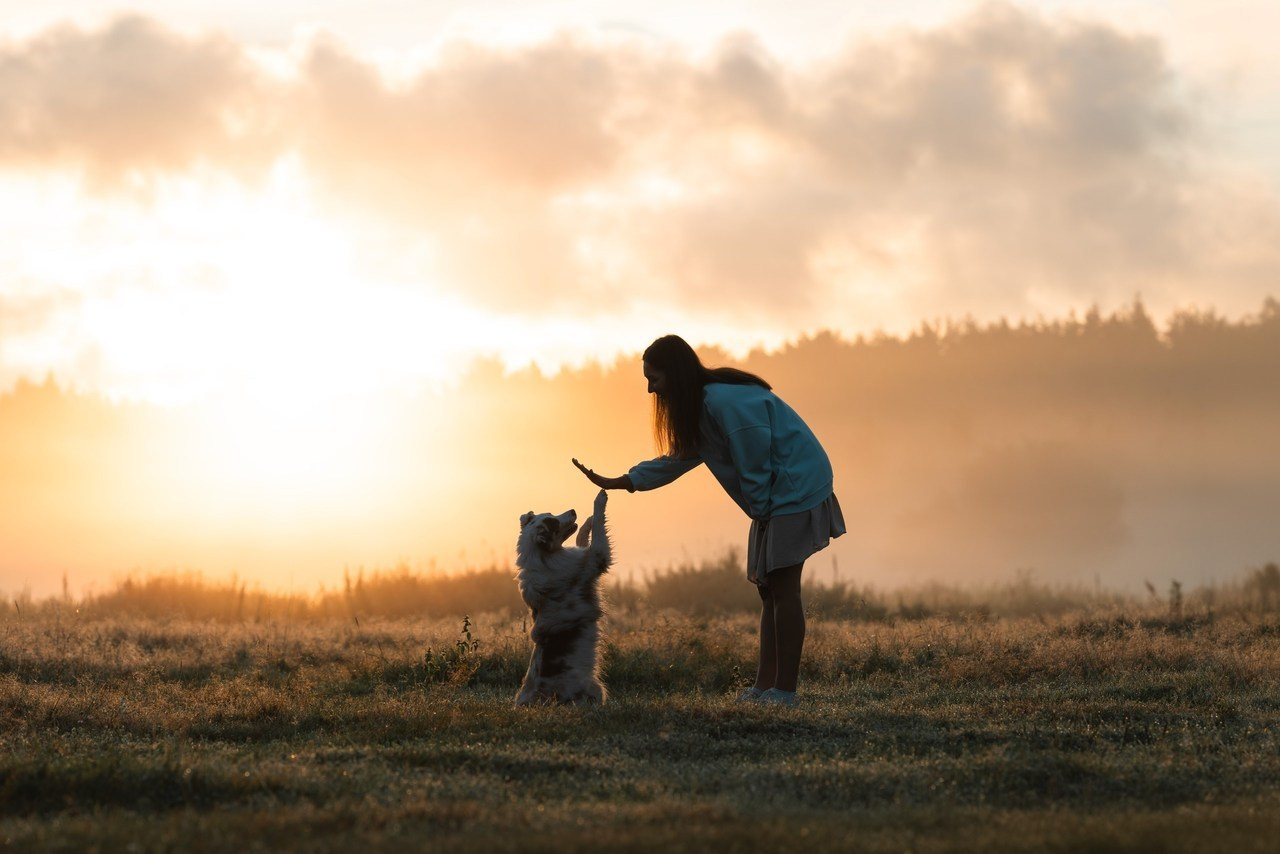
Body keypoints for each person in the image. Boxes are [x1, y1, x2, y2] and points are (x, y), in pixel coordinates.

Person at [572, 334, 845, 706]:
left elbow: (755, 460)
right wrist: (624, 481)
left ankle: (785, 691)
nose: (651, 390)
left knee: (783, 588)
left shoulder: (722, 402)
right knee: (769, 590)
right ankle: (766, 687)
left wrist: (761, 509)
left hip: (793, 486)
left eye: (655, 379)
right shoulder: (702, 408)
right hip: (774, 495)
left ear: (676, 374)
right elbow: (678, 459)